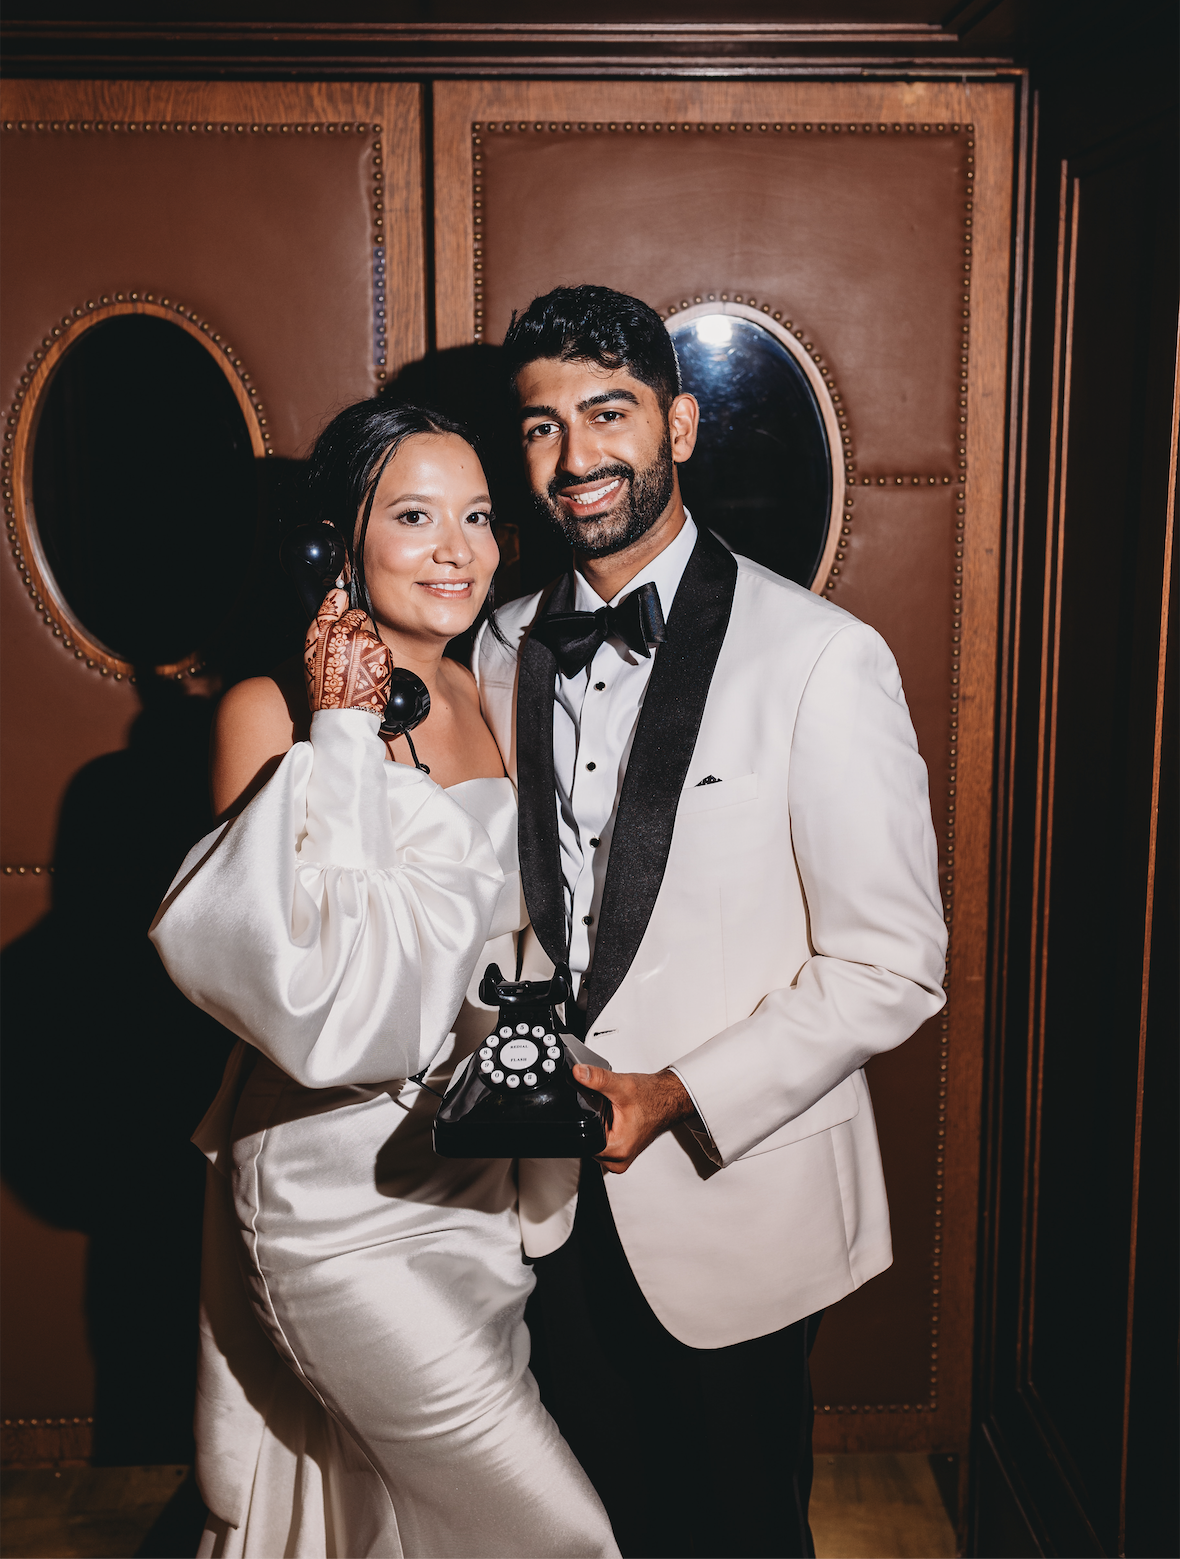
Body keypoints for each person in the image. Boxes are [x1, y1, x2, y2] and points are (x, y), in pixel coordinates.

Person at [472, 287, 949, 1559]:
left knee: (735, 1527)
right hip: (540, 1200)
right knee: (582, 1523)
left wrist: (675, 1089)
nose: (575, 459)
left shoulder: (820, 657)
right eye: (539, 426)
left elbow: (890, 965)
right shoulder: (500, 645)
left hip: (734, 1191)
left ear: (678, 423)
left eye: (609, 413)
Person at [151, 399, 618, 1559]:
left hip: (475, 1184)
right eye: (414, 516)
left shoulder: (492, 688)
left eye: (477, 516)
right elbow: (306, 976)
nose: (457, 548)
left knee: (397, 1516)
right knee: (550, 1528)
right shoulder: (267, 712)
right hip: (332, 1192)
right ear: (337, 543)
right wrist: (343, 733)